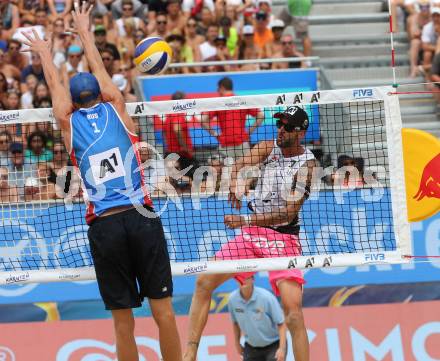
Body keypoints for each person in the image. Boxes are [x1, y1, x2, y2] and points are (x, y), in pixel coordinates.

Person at [21, 3, 182, 361]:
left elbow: (57, 96)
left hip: (106, 227)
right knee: (165, 314)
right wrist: (88, 38)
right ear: (100, 93)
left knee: (123, 324)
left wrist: (47, 54)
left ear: (75, 104)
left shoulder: (69, 124)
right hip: (141, 219)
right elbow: (104, 82)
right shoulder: (117, 109)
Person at [184, 106, 314, 361]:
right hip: (253, 234)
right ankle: (189, 353)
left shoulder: (307, 167)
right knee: (203, 283)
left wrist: (244, 219)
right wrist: (236, 181)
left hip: (283, 237)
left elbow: (287, 213)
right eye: (280, 124)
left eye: (287, 127)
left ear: (300, 133)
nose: (280, 130)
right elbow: (241, 163)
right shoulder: (268, 147)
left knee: (294, 312)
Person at [200, 77, 264, 159]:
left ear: (222, 87)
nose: (217, 92)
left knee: (227, 171)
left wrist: (216, 134)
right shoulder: (242, 101)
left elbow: (203, 121)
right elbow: (261, 116)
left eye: (218, 89)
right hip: (242, 142)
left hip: (226, 143)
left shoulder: (219, 102)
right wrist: (248, 133)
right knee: (246, 170)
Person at [228, 277, 287, 361]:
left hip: (274, 344)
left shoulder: (266, 297)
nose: (243, 280)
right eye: (240, 278)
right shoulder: (232, 300)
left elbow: (281, 323)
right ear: (236, 280)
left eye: (246, 277)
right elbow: (235, 323)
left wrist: (282, 349)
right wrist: (237, 343)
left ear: (253, 279)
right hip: (251, 347)